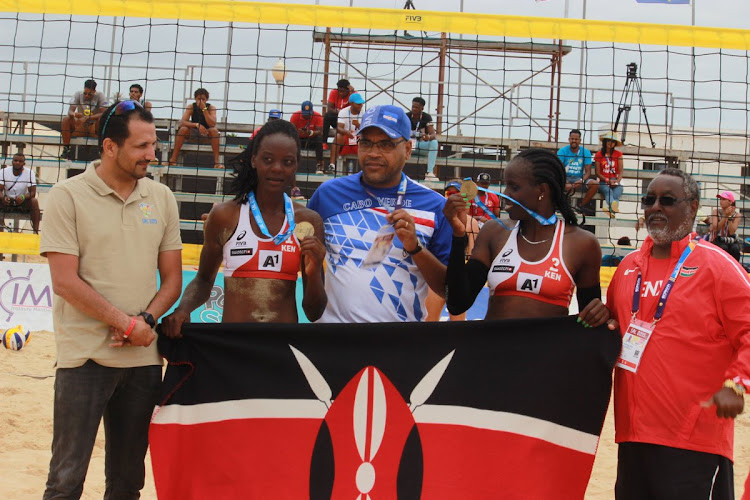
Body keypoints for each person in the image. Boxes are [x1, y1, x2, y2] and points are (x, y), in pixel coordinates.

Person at [40, 100, 183, 499]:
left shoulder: (161, 197)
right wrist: (127, 324)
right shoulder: (68, 196)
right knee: (66, 479)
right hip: (85, 356)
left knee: (127, 482)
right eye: (141, 146)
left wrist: (147, 322)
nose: (151, 154)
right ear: (109, 147)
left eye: (153, 144)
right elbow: (64, 282)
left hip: (141, 357)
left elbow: (173, 279)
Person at [606, 168, 750, 499]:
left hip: (693, 439)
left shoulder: (717, 266)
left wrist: (737, 384)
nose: (655, 207)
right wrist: (596, 321)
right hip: (633, 436)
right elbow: (613, 332)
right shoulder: (627, 269)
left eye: (667, 200)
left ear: (693, 207)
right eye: (649, 199)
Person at [161, 119, 327, 334]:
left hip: (282, 351)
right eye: (268, 159)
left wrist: (314, 272)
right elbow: (203, 280)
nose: (277, 168)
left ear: (296, 165)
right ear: (254, 160)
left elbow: (314, 312)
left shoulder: (308, 221)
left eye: (287, 162)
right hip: (233, 350)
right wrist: (183, 309)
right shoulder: (224, 215)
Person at [307, 104, 453, 322]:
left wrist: (415, 248)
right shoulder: (327, 195)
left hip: (399, 346)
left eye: (386, 144)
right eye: (366, 143)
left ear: (407, 149)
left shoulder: (435, 206)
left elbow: (449, 291)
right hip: (335, 341)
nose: (373, 153)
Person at [444, 148, 609, 327]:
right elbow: (457, 303)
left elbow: (591, 320)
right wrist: (458, 236)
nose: (506, 194)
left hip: (547, 354)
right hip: (492, 351)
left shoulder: (582, 244)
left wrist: (602, 313)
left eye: (514, 187)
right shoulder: (494, 232)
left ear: (542, 190)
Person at [425, 181, 480, 321]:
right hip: (439, 272)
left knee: (458, 325)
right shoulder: (437, 215)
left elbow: (472, 252)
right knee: (429, 321)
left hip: (458, 274)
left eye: (456, 194)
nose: (453, 197)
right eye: (449, 194)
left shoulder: (471, 222)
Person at [169, 88, 221, 168]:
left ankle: (217, 162)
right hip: (193, 133)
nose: (201, 101)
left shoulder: (211, 108)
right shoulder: (191, 107)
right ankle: (173, 159)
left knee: (214, 131)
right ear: (195, 99)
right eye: (198, 99)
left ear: (207, 99)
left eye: (203, 99)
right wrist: (197, 125)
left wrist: (204, 110)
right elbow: (182, 122)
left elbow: (212, 124)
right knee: (183, 129)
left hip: (207, 135)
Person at [60, 79, 109, 160]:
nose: (86, 96)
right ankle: (66, 149)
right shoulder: (78, 94)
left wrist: (88, 118)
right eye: (85, 93)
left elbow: (104, 113)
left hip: (94, 128)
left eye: (89, 94)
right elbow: (70, 111)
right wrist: (74, 115)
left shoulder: (100, 96)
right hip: (81, 126)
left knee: (102, 120)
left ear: (94, 91)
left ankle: (101, 149)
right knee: (66, 119)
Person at [0, 152, 40, 233]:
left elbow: (33, 193)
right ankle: (1, 231)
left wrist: (23, 197)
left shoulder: (29, 172)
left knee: (34, 201)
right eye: (15, 160)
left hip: (22, 201)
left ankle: (36, 232)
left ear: (24, 163)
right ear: (12, 162)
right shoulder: (3, 171)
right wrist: (3, 198)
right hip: (7, 201)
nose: (17, 162)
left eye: (20, 161)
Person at [557, 129, 598, 208]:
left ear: (580, 140)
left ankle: (579, 207)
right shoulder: (562, 151)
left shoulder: (586, 152)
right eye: (572, 139)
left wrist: (581, 181)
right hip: (565, 178)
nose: (574, 141)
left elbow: (588, 172)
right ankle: (561, 207)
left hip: (579, 179)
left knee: (595, 184)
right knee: (552, 184)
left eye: (576, 139)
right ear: (569, 139)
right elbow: (559, 169)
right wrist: (565, 181)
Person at [321, 79, 354, 173]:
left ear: (348, 89)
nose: (341, 93)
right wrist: (340, 112)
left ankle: (332, 165)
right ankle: (324, 142)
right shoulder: (334, 93)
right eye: (339, 90)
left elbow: (354, 108)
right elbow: (330, 108)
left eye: (343, 91)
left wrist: (351, 92)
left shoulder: (353, 94)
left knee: (339, 136)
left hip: (348, 122)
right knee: (327, 116)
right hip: (337, 119)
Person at [406, 97, 439, 181]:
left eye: (416, 107)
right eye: (413, 107)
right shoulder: (406, 116)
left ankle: (429, 173)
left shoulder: (426, 117)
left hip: (420, 146)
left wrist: (428, 137)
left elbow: (433, 134)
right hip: (407, 147)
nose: (414, 109)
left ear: (422, 108)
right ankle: (396, 171)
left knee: (434, 143)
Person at [330, 93, 365, 175]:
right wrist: (346, 132)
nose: (361, 105)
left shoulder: (364, 113)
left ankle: (365, 168)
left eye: (361, 103)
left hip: (358, 138)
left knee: (366, 140)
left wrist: (359, 125)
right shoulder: (343, 112)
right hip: (346, 137)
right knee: (338, 136)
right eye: (358, 103)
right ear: (352, 103)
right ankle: (332, 165)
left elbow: (366, 130)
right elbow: (339, 128)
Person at [594, 131, 624, 217]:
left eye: (613, 141)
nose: (610, 143)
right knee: (608, 191)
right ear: (605, 142)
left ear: (615, 144)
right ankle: (612, 209)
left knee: (618, 192)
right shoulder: (599, 154)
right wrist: (607, 180)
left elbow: (621, 171)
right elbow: (597, 172)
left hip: (615, 180)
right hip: (603, 181)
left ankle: (611, 210)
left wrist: (617, 181)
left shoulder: (618, 154)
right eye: (608, 141)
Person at [707, 190, 743, 262]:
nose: (721, 201)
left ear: (730, 202)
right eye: (720, 199)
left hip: (729, 240)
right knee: (723, 248)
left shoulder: (737, 215)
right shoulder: (716, 211)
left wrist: (729, 217)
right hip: (716, 240)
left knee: (735, 249)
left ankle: (733, 269)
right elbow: (716, 228)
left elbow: (732, 232)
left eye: (723, 199)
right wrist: (725, 216)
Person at [290, 100, 325, 175]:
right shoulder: (295, 115)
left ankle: (319, 165)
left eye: (309, 114)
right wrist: (298, 132)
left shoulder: (317, 116)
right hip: (299, 140)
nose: (307, 116)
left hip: (311, 139)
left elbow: (320, 132)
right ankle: (291, 164)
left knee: (319, 140)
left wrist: (310, 132)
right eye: (305, 114)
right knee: (291, 141)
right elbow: (291, 130)